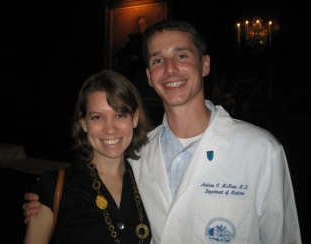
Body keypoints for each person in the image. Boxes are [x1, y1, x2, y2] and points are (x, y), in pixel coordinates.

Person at [23, 20, 301, 243]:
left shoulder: (261, 150)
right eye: (157, 60)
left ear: (205, 64)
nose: (169, 69)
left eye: (181, 55)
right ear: (148, 76)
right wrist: (46, 205)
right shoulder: (137, 155)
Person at [23, 70, 152, 244]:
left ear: (135, 118)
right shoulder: (53, 187)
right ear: (84, 123)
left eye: (120, 115)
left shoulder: (150, 180)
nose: (110, 129)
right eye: (97, 117)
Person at [114, 16, 149, 98]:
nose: (140, 27)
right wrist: (117, 56)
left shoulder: (150, 36)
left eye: (142, 24)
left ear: (146, 24)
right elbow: (126, 49)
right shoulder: (135, 38)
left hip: (144, 69)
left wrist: (139, 57)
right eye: (139, 25)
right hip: (134, 69)